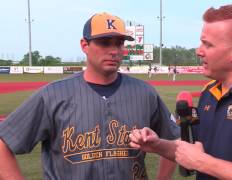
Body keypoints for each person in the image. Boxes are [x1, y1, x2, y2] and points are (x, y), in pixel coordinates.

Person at [0, 12, 179, 180]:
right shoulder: (52, 94)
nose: (114, 50)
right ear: (84, 45)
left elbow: (174, 140)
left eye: (119, 43)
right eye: (104, 42)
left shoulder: (144, 93)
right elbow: (3, 142)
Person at [130, 4, 232, 180]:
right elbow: (193, 151)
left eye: (207, 45)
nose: (198, 51)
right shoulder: (210, 91)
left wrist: (203, 163)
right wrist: (157, 145)